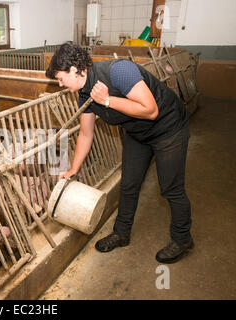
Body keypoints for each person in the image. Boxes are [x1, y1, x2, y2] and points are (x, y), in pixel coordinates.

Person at [46, 42, 193, 264]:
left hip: (168, 128)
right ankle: (121, 233)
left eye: (60, 78)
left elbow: (151, 111)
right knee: (129, 184)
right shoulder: (84, 95)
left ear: (76, 69)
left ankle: (182, 239)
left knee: (171, 187)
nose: (60, 84)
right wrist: (73, 169)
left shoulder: (119, 71)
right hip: (137, 133)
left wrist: (106, 100)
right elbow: (86, 134)